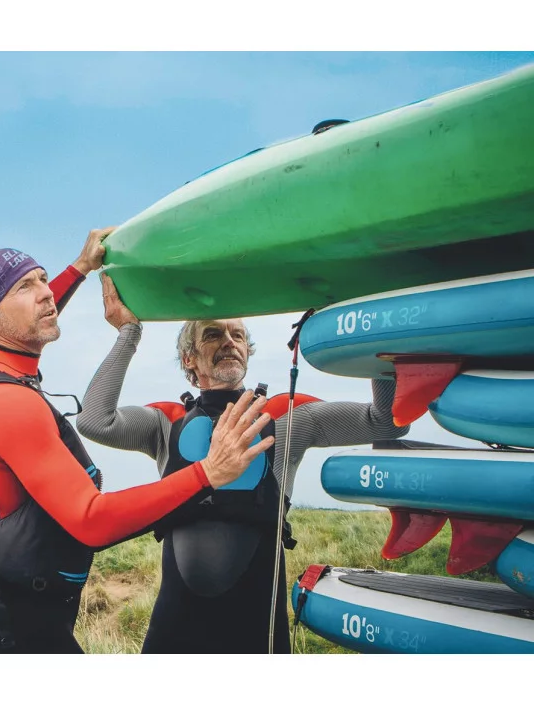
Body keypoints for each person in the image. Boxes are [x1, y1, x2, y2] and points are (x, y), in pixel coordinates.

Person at [0, 229, 274, 654]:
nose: (46, 294)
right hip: (16, 629)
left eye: (43, 279)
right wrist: (208, 473)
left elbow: (18, 315)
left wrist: (81, 268)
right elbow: (92, 520)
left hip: (5, 606)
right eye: (24, 286)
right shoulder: (8, 402)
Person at [76, 274, 409, 654]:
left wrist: (375, 338)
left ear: (248, 353)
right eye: (213, 334)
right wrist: (129, 333)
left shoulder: (286, 418)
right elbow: (94, 421)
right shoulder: (166, 424)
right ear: (189, 358)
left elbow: (388, 422)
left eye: (237, 335)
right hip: (176, 625)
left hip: (256, 626)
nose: (229, 342)